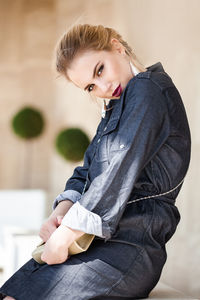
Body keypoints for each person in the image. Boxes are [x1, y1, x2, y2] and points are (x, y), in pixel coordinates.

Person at [0, 24, 191, 300]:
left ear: (117, 46)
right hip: (95, 244)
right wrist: (59, 214)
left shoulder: (148, 89)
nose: (102, 87)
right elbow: (86, 171)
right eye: (90, 86)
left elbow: (116, 172)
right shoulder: (117, 107)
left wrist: (65, 236)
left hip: (128, 250)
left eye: (99, 69)